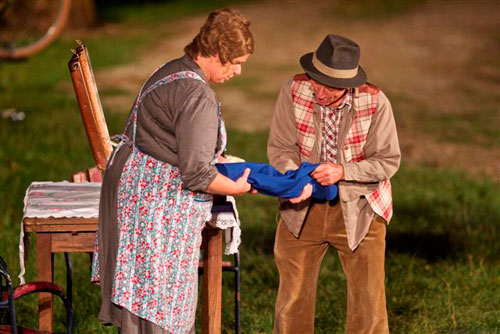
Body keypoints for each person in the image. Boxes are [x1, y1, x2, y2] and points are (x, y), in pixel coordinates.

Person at [92, 8, 254, 334]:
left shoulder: (172, 69)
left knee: (143, 294)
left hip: (134, 187)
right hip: (155, 204)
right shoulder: (198, 96)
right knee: (160, 301)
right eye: (234, 63)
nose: (237, 71)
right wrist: (240, 188)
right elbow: (197, 175)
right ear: (215, 52)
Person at [267, 34, 401, 334]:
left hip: (360, 209)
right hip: (302, 205)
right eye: (317, 80)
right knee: (292, 297)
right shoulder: (293, 90)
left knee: (369, 304)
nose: (320, 91)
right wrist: (295, 179)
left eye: (331, 86)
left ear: (349, 85)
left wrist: (342, 171)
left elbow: (388, 161)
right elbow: (280, 147)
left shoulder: (375, 102)